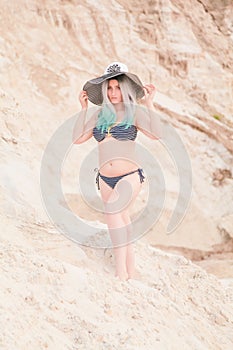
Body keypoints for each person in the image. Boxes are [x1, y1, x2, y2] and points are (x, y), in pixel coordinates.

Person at [73, 62, 161, 281]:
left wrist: (149, 103)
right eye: (109, 88)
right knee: (122, 220)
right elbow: (77, 139)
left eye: (118, 88)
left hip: (129, 176)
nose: (113, 93)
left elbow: (156, 134)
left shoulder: (134, 113)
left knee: (113, 212)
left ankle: (120, 272)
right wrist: (83, 110)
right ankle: (132, 271)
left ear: (126, 89)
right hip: (104, 179)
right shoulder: (99, 115)